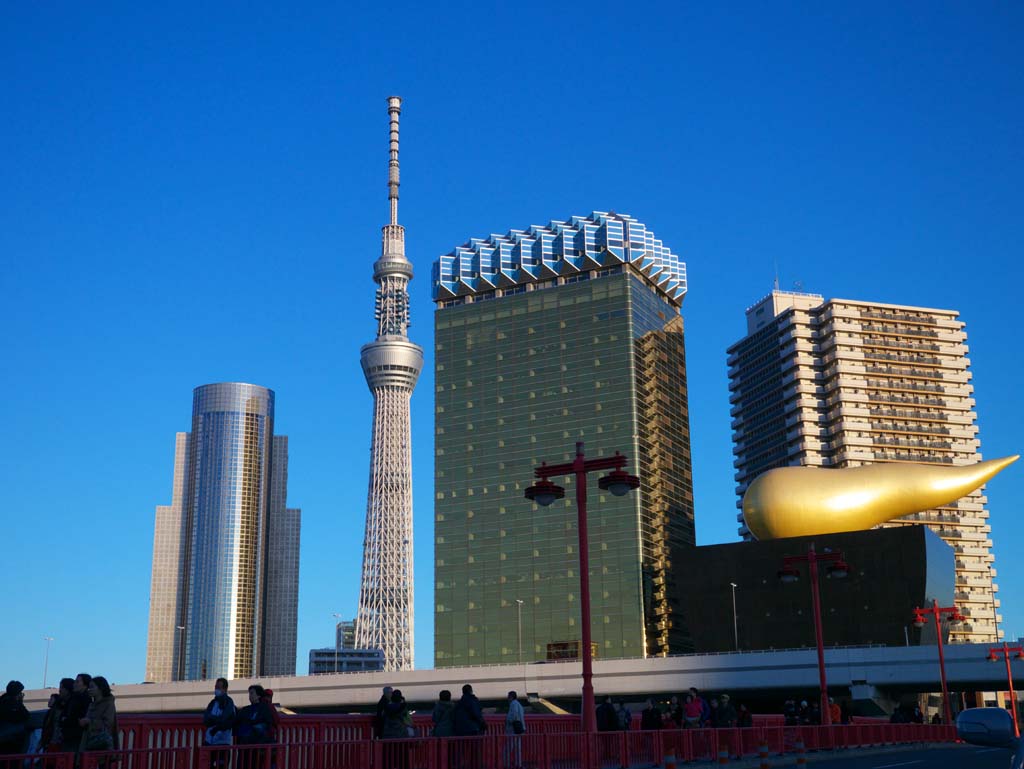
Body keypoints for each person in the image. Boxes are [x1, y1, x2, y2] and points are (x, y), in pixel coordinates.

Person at [203, 678, 236, 769]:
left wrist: (213, 720)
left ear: (225, 689)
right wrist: (216, 719)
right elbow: (205, 719)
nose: (216, 689)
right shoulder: (213, 703)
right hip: (209, 742)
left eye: (219, 687)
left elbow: (225, 720)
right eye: (216, 687)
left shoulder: (229, 703)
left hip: (223, 742)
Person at [80, 676, 117, 753]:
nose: (89, 690)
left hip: (101, 745)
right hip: (89, 741)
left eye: (92, 687)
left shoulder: (109, 703)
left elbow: (108, 723)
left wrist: (89, 722)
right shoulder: (91, 704)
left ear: (100, 688)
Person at [60, 674, 92, 753]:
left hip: (76, 737)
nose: (74, 684)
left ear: (85, 685)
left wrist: (67, 720)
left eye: (77, 682)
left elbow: (81, 717)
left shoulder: (86, 699)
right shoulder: (73, 698)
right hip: (68, 736)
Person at [40, 680, 73, 752]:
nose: (60, 690)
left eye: (62, 687)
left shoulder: (70, 705)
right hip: (52, 741)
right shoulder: (56, 707)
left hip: (61, 741)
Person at [0, 681, 30, 755]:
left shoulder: (3, 701)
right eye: (20, 693)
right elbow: (25, 716)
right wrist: (20, 703)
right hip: (10, 743)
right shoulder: (12, 705)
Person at [504, 691, 525, 769]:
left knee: (508, 747)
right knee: (517, 748)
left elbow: (514, 715)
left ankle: (506, 764)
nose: (507, 698)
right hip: (519, 729)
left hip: (513, 729)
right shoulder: (519, 705)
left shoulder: (513, 704)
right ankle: (518, 764)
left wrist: (508, 720)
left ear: (511, 697)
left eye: (508, 696)